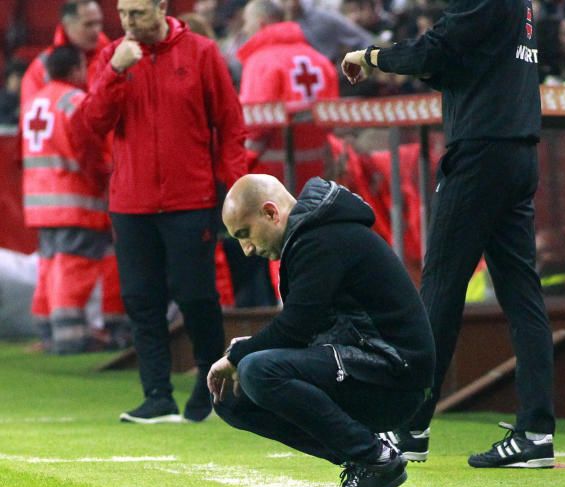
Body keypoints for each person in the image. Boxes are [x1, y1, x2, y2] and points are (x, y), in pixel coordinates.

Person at [341, 0, 556, 469]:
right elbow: (457, 63)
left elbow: (433, 52)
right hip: (517, 148)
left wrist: (372, 57)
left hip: (480, 151)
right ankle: (536, 431)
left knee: (440, 287)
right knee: (522, 295)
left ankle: (410, 425)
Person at [207, 174, 435, 487]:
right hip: (366, 364)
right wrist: (252, 350)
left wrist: (240, 353)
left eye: (245, 234)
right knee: (232, 399)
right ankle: (360, 457)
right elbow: (308, 327)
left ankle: (375, 458)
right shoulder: (311, 237)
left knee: (257, 370)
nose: (247, 250)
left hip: (394, 378)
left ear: (271, 213)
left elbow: (296, 327)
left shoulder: (321, 239)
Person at [75, 0, 247, 423]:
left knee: (196, 297)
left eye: (138, 13)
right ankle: (157, 396)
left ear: (162, 8)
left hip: (191, 199)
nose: (129, 23)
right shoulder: (112, 56)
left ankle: (210, 391)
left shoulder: (202, 53)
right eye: (123, 14)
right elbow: (91, 124)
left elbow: (230, 123)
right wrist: (114, 71)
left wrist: (236, 189)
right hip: (131, 202)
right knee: (140, 300)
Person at [21, 45, 125, 354]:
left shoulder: (32, 103)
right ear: (77, 69)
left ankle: (48, 331)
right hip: (75, 201)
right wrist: (106, 179)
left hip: (40, 204)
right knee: (72, 269)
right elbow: (89, 152)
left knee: (50, 267)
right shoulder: (75, 102)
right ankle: (70, 338)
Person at [238, 0, 340, 192]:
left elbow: (254, 124)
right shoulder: (319, 59)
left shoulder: (261, 61)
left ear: (260, 24)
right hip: (318, 168)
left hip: (272, 174)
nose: (244, 29)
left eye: (246, 22)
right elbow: (331, 117)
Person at [0, 59, 27, 126]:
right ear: (8, 78)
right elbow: (3, 121)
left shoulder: (27, 97)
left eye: (22, 77)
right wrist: (18, 113)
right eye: (17, 77)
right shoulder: (1, 98)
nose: (19, 81)